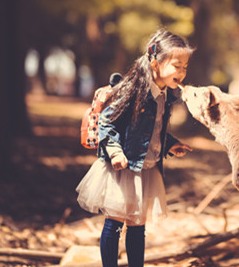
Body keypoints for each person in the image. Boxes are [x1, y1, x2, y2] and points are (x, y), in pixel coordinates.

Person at [76, 29, 194, 267]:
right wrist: (115, 152)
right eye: (176, 66)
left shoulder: (166, 95)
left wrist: (171, 144)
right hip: (124, 166)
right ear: (155, 62)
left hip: (146, 168)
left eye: (185, 67)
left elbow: (153, 129)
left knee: (138, 227)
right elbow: (107, 122)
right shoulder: (133, 89)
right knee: (115, 222)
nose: (181, 72)